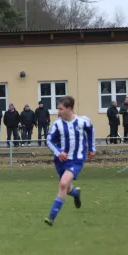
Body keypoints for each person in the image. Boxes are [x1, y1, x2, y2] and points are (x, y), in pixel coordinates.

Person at [44, 96, 96, 226]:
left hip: (76, 160)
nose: (58, 112)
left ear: (69, 109)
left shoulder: (83, 121)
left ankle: (51, 217)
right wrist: (58, 152)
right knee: (66, 188)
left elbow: (91, 131)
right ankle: (76, 193)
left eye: (60, 109)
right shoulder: (57, 124)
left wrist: (92, 148)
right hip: (61, 161)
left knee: (62, 184)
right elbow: (49, 140)